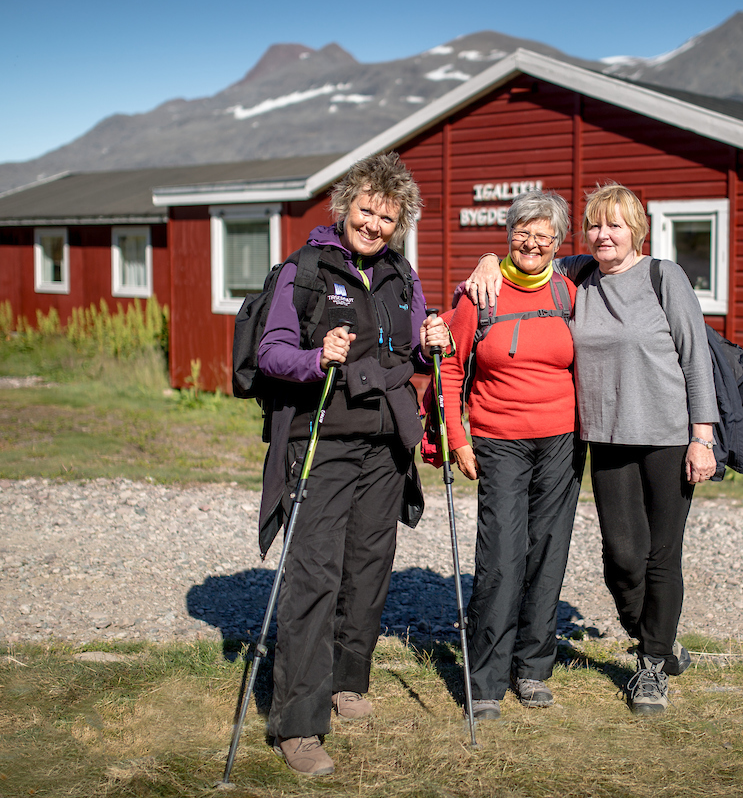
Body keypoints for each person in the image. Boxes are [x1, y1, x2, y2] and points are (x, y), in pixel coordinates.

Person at [468, 183, 717, 716]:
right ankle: (658, 634)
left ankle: (651, 665)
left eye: (616, 226)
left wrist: (703, 437)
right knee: (622, 558)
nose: (604, 235)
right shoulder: (581, 274)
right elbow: (531, 246)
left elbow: (696, 357)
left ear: (637, 231)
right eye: (596, 226)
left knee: (661, 554)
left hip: (669, 437)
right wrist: (488, 258)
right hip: (604, 438)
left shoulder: (662, 277)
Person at [256, 151, 451, 776]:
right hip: (321, 440)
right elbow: (272, 352)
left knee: (369, 566)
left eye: (388, 217)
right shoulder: (305, 269)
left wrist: (431, 345)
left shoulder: (401, 274)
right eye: (366, 210)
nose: (374, 225)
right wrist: (318, 358)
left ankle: (347, 681)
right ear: (345, 206)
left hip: (384, 447)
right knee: (315, 574)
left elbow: (415, 356)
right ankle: (298, 725)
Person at [440, 191, 584, 721]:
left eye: (543, 234)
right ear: (508, 236)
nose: (531, 242)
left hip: (562, 441)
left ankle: (533, 667)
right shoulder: (481, 294)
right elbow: (450, 369)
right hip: (499, 440)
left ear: (558, 243)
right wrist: (457, 437)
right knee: (500, 556)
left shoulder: (570, 292)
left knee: (548, 552)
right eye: (523, 231)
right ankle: (485, 680)